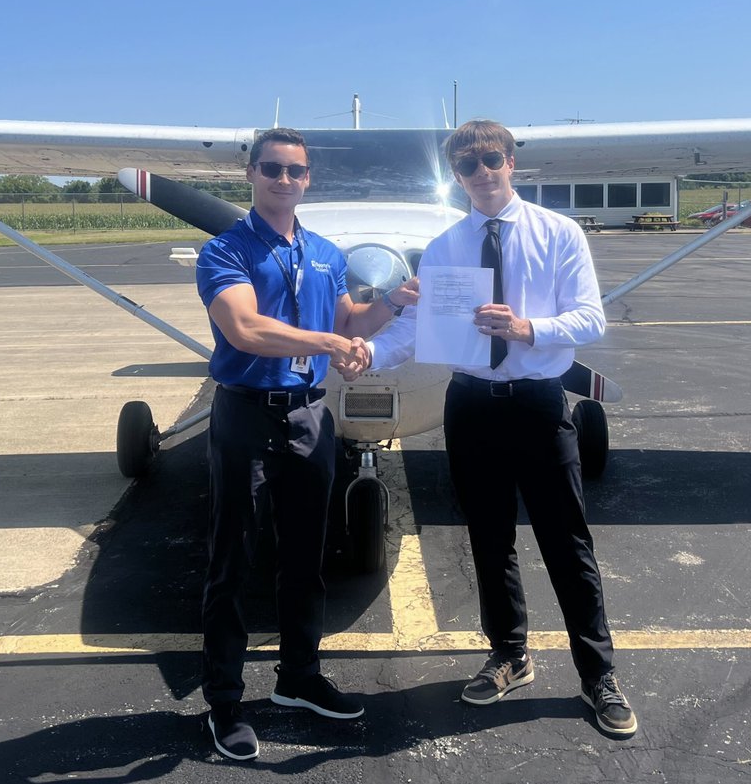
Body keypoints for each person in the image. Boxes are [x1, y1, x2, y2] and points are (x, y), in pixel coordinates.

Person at [362, 119, 637, 737]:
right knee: (488, 539)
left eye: (491, 159)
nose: (481, 172)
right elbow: (411, 332)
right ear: (456, 176)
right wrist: (365, 357)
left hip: (539, 402)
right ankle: (509, 655)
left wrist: (525, 329)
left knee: (567, 542)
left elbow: (590, 318)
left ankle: (598, 674)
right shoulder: (445, 249)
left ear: (512, 163)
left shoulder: (558, 232)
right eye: (467, 165)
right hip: (471, 404)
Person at [194, 127, 418, 760]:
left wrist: (395, 305)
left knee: (305, 556)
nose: (282, 179)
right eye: (271, 169)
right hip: (245, 414)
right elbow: (243, 329)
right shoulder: (226, 251)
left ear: (307, 178)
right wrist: (328, 344)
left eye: (294, 171)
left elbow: (349, 321)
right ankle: (224, 703)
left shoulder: (323, 251)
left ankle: (298, 678)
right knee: (232, 562)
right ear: (251, 174)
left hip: (309, 418)